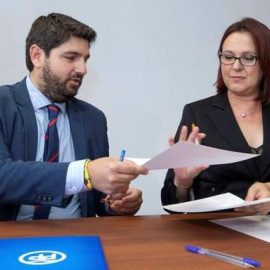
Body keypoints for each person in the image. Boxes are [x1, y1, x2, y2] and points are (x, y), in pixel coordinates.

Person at [0, 13, 148, 221]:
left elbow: (98, 200)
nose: (83, 69)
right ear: (37, 56)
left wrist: (116, 203)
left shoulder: (93, 119)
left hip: (77, 235)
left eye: (85, 59)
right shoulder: (3, 104)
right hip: (10, 237)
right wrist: (85, 173)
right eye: (71, 58)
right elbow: (3, 176)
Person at [161, 17, 270, 215]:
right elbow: (171, 204)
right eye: (228, 56)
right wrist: (182, 183)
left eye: (248, 58)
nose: (236, 66)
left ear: (265, 61)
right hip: (217, 233)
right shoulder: (197, 113)